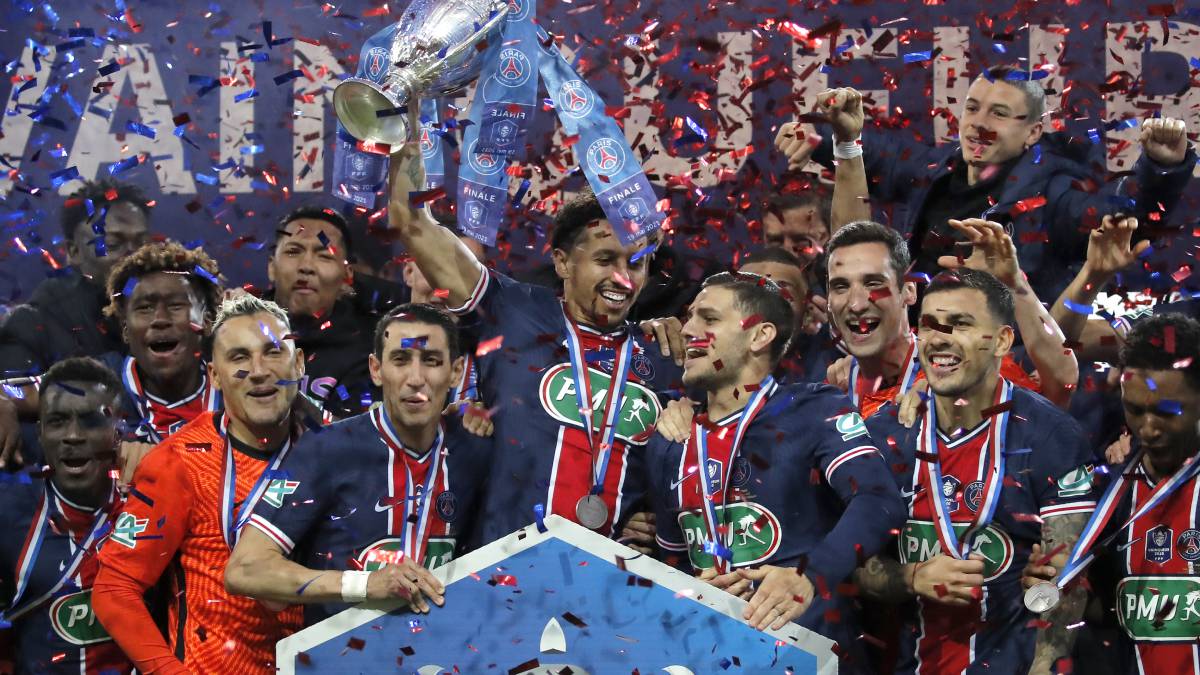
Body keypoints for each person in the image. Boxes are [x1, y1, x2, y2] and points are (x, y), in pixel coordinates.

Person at [386, 118, 680, 547]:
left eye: (636, 264)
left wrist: (652, 515)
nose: (622, 278)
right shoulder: (510, 310)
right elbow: (412, 222)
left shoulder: (663, 352)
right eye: (605, 260)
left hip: (610, 576)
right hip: (501, 569)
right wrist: (405, 116)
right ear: (563, 262)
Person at [648, 271, 904, 671]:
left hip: (812, 657)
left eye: (709, 318)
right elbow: (673, 560)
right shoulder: (670, 438)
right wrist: (690, 591)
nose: (688, 330)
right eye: (689, 317)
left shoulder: (813, 410)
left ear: (759, 335)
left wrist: (809, 575)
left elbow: (879, 500)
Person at [855, 268, 1097, 674]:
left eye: (960, 324)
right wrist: (910, 576)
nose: (939, 338)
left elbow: (1067, 586)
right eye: (928, 325)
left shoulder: (1051, 436)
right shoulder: (884, 437)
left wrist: (1043, 667)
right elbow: (856, 566)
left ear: (1002, 340)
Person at [777, 68, 1195, 302]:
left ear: (1033, 133)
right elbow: (881, 156)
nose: (979, 124)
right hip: (917, 356)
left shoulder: (1053, 193)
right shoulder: (937, 168)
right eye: (973, 108)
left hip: (1004, 373)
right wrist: (820, 140)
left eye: (999, 114)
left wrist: (1161, 168)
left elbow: (1123, 221)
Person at [225, 304, 491, 626]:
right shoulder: (326, 449)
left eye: (431, 361)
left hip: (442, 647)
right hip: (340, 652)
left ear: (456, 372)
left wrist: (479, 414)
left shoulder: (476, 448)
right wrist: (364, 584)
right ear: (376, 369)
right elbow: (246, 569)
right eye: (400, 360)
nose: (416, 379)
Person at [92, 295, 312, 674]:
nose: (258, 371)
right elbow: (114, 590)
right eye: (239, 357)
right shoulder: (179, 462)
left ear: (300, 363)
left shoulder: (335, 451)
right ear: (214, 375)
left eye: (273, 352)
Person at [1023, 313, 1200, 675]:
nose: (1148, 429)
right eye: (1135, 410)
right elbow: (1108, 611)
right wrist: (1056, 584)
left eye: (1167, 412)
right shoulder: (1109, 494)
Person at [0, 241, 224, 476]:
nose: (160, 319)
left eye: (176, 306)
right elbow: (14, 393)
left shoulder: (233, 384)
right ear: (125, 329)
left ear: (207, 321)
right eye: (145, 308)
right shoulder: (98, 380)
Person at [823, 220, 1070, 418]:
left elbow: (1060, 387)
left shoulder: (964, 367)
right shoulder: (833, 393)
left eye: (874, 283)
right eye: (840, 286)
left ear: (909, 291)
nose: (856, 304)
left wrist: (1013, 284)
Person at [0, 358, 131, 674]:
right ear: (40, 433)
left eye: (91, 421)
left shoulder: (152, 504)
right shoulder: (8, 512)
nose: (73, 435)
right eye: (58, 421)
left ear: (118, 432)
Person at [0, 179, 151, 378]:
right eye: (113, 244)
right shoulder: (33, 324)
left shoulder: (174, 313)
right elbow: (14, 392)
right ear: (74, 251)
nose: (135, 257)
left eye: (142, 244)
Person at [268, 205, 407, 418]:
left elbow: (355, 433)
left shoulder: (369, 348)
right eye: (293, 251)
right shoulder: (238, 330)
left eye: (324, 255)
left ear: (347, 274)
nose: (306, 266)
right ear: (271, 267)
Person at [739, 246, 839, 383]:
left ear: (807, 313)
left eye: (781, 293)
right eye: (749, 293)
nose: (764, 304)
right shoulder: (710, 370)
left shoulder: (831, 370)